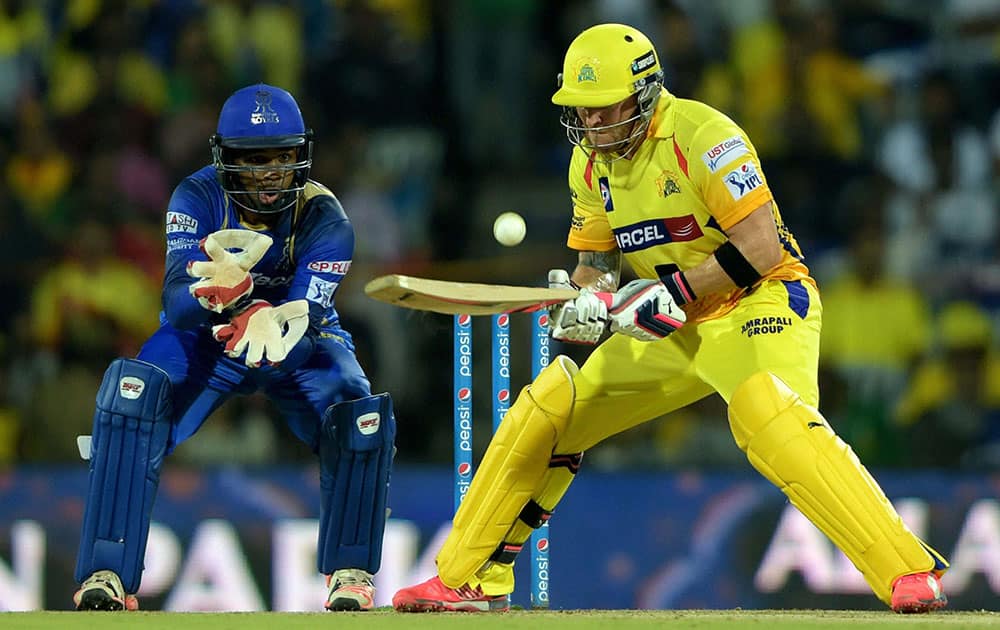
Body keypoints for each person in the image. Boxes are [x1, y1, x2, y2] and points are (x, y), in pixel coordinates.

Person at [392, 23, 948, 614]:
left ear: (647, 93)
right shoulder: (590, 162)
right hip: (669, 324)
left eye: (605, 111)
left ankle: (909, 570)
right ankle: (471, 579)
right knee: (551, 406)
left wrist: (672, 289)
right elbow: (596, 265)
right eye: (581, 113)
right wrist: (589, 301)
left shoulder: (706, 136)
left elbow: (761, 247)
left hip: (758, 303)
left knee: (766, 412)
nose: (592, 126)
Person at [72, 84, 396, 612]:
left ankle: (350, 572)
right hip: (206, 337)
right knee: (129, 397)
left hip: (293, 338)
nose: (271, 173)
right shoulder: (196, 196)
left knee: (356, 410)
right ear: (226, 159)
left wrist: (261, 312)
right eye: (254, 160)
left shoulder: (327, 220)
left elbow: (299, 327)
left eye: (283, 157)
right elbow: (178, 306)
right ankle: (107, 573)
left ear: (301, 155)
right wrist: (209, 292)